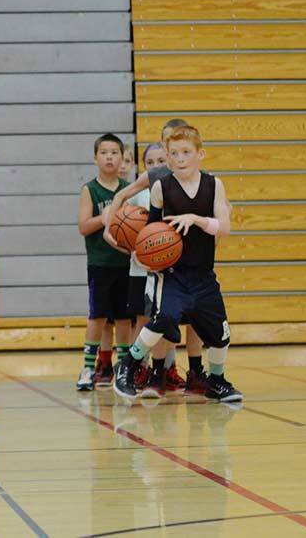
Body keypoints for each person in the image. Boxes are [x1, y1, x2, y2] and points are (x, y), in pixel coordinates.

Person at [113, 125, 242, 403]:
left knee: (220, 335)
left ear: (200, 154)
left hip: (203, 274)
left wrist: (194, 219)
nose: (180, 158)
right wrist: (145, 256)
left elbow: (225, 227)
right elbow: (151, 231)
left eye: (186, 152)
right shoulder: (161, 187)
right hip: (171, 273)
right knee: (165, 318)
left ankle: (216, 381)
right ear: (168, 159)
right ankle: (128, 364)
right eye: (174, 154)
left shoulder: (213, 185)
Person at [104, 119, 208, 395]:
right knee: (160, 318)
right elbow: (122, 195)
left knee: (196, 320)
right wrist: (108, 227)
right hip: (162, 259)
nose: (174, 152)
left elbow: (223, 211)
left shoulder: (201, 177)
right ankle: (154, 372)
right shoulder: (156, 176)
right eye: (168, 143)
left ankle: (196, 372)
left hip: (193, 259)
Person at [76, 134, 133, 391]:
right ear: (95, 158)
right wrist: (105, 217)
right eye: (104, 152)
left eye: (114, 152)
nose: (109, 157)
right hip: (99, 263)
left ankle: (122, 368)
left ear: (122, 158)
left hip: (125, 262)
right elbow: (83, 226)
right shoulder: (90, 189)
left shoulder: (128, 189)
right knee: (97, 317)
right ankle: (89, 367)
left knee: (123, 319)